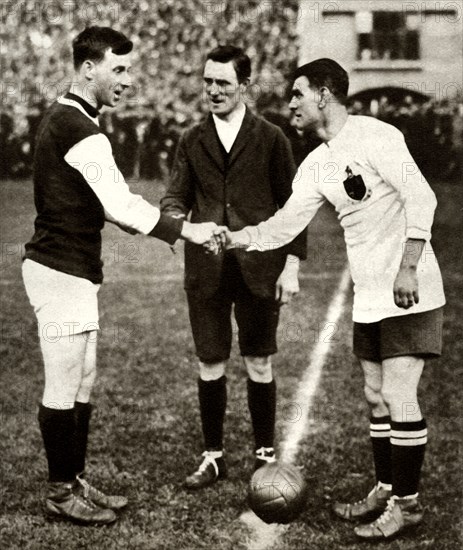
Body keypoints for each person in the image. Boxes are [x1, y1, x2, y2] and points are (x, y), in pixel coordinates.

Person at [221, 58, 445, 540]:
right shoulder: (317, 162)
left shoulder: (376, 136)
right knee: (374, 397)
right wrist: (239, 238)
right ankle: (386, 487)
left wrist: (408, 267)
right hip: (369, 295)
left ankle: (408, 505)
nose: (291, 105)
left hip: (409, 288)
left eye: (297, 94)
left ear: (324, 94)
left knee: (398, 395)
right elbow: (286, 223)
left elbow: (421, 198)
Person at [22, 26, 223, 525]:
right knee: (64, 383)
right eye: (119, 69)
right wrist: (189, 231)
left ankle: (72, 478)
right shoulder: (77, 128)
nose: (128, 80)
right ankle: (59, 492)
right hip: (58, 270)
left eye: (128, 70)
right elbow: (121, 208)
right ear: (88, 69)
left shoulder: (75, 119)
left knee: (83, 378)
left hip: (72, 270)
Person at [161, 45, 307, 489]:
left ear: (245, 86)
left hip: (261, 266)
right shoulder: (191, 139)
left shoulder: (271, 138)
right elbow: (174, 198)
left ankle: (265, 453)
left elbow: (294, 206)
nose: (213, 91)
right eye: (208, 82)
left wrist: (292, 266)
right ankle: (214, 456)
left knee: (259, 361)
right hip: (205, 269)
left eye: (223, 83)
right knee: (210, 361)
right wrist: (176, 226)